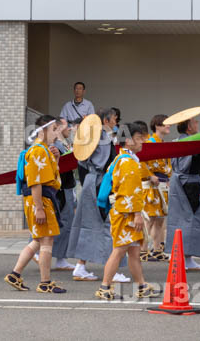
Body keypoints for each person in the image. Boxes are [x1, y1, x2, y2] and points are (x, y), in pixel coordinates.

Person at [95, 121, 158, 301]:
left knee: (133, 251)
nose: (142, 142)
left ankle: (142, 285)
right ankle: (105, 286)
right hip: (127, 213)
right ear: (128, 140)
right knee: (120, 249)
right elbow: (132, 192)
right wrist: (138, 214)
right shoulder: (129, 162)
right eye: (139, 138)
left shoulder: (121, 159)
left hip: (122, 211)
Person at [5, 115, 67, 294]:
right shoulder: (39, 151)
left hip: (41, 199)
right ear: (43, 130)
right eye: (54, 129)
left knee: (38, 241)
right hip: (40, 200)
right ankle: (45, 282)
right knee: (47, 241)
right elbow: (36, 182)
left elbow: (50, 177)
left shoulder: (44, 150)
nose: (57, 133)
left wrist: (56, 160)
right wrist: (39, 208)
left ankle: (15, 274)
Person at [69, 108, 126, 283]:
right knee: (108, 224)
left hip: (90, 182)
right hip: (100, 182)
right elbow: (107, 163)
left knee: (88, 224)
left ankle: (80, 266)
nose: (116, 123)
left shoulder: (89, 137)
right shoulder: (102, 138)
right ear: (107, 121)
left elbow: (81, 161)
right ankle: (112, 270)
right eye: (115, 119)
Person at [166, 114, 200, 271]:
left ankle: (187, 257)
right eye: (195, 121)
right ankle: (183, 258)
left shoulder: (177, 141)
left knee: (182, 220)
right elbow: (188, 165)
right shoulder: (189, 142)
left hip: (180, 182)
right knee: (189, 220)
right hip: (189, 183)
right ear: (188, 126)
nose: (198, 123)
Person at [141, 114, 172, 262]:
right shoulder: (150, 142)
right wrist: (149, 175)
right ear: (157, 125)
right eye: (166, 124)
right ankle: (143, 250)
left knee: (160, 219)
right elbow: (141, 162)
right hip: (152, 183)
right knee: (150, 219)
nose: (168, 126)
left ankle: (157, 249)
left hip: (163, 182)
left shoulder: (162, 142)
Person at [49, 114, 77, 271]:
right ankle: (36, 250)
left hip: (66, 186)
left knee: (66, 223)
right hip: (60, 188)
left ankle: (61, 258)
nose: (70, 129)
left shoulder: (62, 144)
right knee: (60, 222)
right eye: (67, 126)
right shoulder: (54, 146)